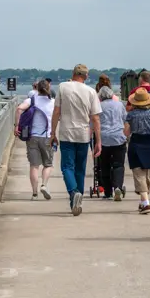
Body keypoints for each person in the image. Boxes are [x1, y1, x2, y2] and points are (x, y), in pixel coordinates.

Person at [50, 64, 102, 216]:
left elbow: (56, 111)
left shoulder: (63, 87)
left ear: (73, 74)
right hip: (84, 134)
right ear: (86, 76)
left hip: (67, 132)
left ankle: (73, 193)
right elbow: (96, 118)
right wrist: (98, 141)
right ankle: (77, 198)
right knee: (80, 169)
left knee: (67, 167)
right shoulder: (91, 92)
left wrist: (52, 132)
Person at [14, 79, 55, 200]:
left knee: (34, 166)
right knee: (47, 164)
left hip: (32, 137)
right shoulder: (53, 102)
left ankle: (35, 193)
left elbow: (19, 109)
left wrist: (17, 126)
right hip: (47, 137)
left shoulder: (32, 100)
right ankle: (44, 185)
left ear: (37, 88)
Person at [124, 88, 150, 213]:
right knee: (148, 173)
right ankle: (144, 200)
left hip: (136, 143)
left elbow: (126, 132)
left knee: (139, 174)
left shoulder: (131, 115)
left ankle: (145, 202)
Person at [96, 85, 127, 201]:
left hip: (104, 139)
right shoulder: (119, 105)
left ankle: (108, 192)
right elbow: (125, 118)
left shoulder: (99, 106)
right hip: (119, 137)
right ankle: (118, 186)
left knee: (104, 165)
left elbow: (95, 122)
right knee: (118, 164)